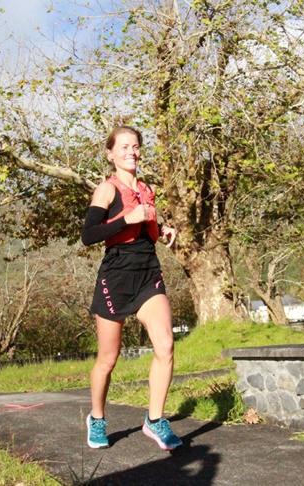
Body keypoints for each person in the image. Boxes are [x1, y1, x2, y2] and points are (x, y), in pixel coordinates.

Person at [81, 125, 180, 450]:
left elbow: (145, 229)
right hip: (116, 276)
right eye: (123, 147)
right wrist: (128, 217)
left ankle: (154, 420)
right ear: (111, 154)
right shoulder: (106, 190)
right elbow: (90, 235)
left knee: (165, 345)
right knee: (108, 360)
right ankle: (97, 418)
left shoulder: (146, 189)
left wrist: (162, 229)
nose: (131, 152)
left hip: (147, 271)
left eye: (135, 146)